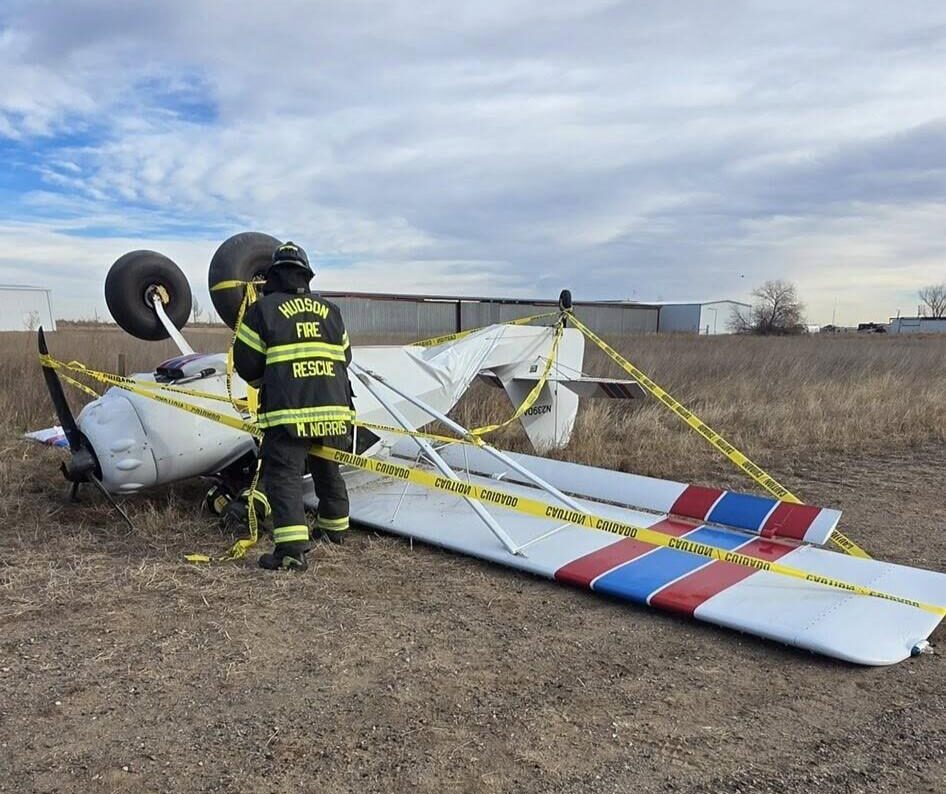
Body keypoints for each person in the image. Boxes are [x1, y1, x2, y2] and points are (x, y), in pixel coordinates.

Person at [232, 241, 354, 572]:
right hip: (334, 409)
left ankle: (290, 550)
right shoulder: (331, 311)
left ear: (274, 275)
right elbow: (346, 357)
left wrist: (269, 378)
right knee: (327, 467)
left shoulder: (263, 311)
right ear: (306, 275)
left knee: (283, 474)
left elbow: (246, 363)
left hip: (288, 411)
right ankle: (334, 529)